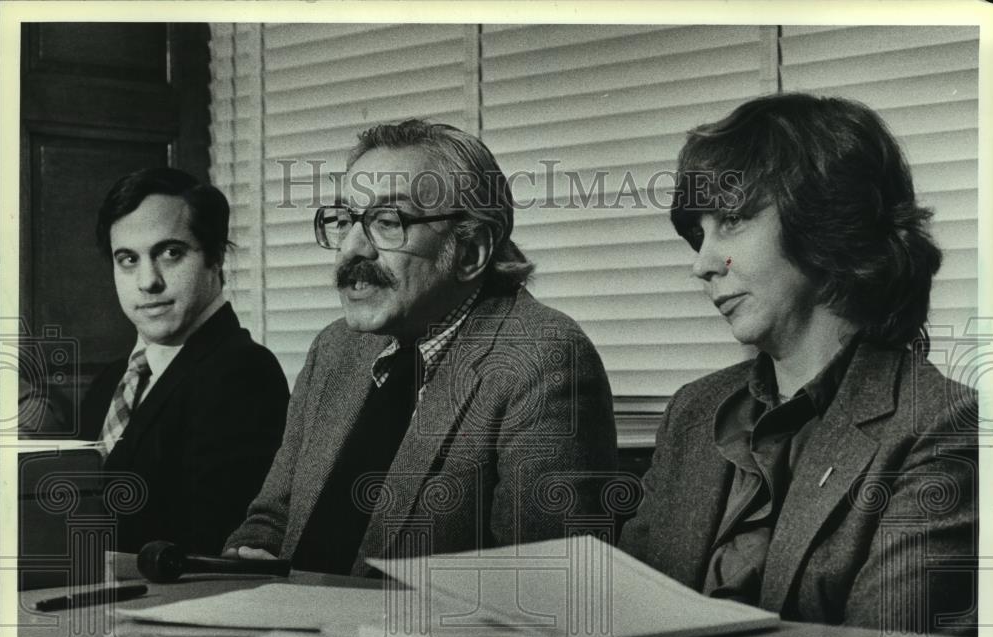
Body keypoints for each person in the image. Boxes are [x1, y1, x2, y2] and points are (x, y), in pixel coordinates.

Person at [618, 93, 977, 635]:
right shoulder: (694, 412)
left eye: (733, 220)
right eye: (700, 233)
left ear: (826, 220)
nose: (702, 264)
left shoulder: (939, 427)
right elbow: (625, 622)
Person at [223, 119, 618, 575]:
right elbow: (273, 520)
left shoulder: (543, 360)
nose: (350, 250)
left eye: (388, 222)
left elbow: (544, 589)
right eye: (346, 220)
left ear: (470, 251)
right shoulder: (335, 349)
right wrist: (249, 554)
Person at [80, 168, 289, 554]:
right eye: (127, 259)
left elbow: (210, 544)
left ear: (216, 258)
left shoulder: (243, 373)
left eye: (170, 253)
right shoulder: (107, 383)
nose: (148, 281)